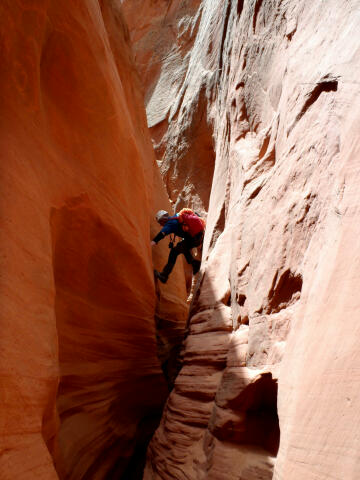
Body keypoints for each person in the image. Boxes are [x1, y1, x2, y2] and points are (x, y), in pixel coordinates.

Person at [151, 209, 204, 284]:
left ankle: (164, 275)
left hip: (194, 239)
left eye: (160, 222)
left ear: (163, 220)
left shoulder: (169, 224)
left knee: (174, 252)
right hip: (199, 235)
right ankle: (195, 264)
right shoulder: (177, 216)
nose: (160, 225)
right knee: (182, 246)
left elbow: (162, 234)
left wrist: (153, 242)